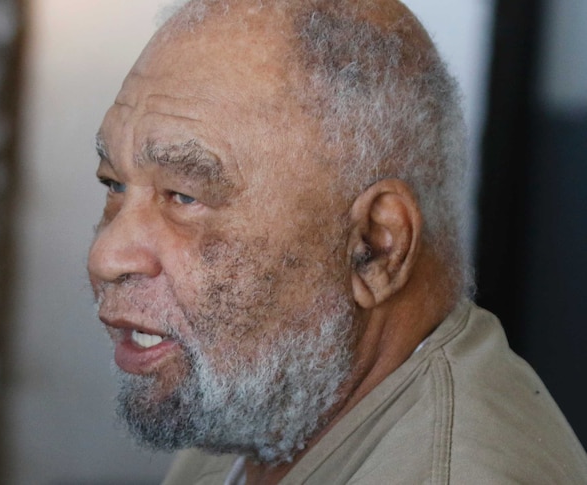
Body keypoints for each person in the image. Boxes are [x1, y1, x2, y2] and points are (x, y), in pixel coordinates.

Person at [86, 0, 587, 483]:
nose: (106, 257)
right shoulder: (259, 399)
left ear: (375, 249)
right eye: (114, 184)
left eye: (184, 196)